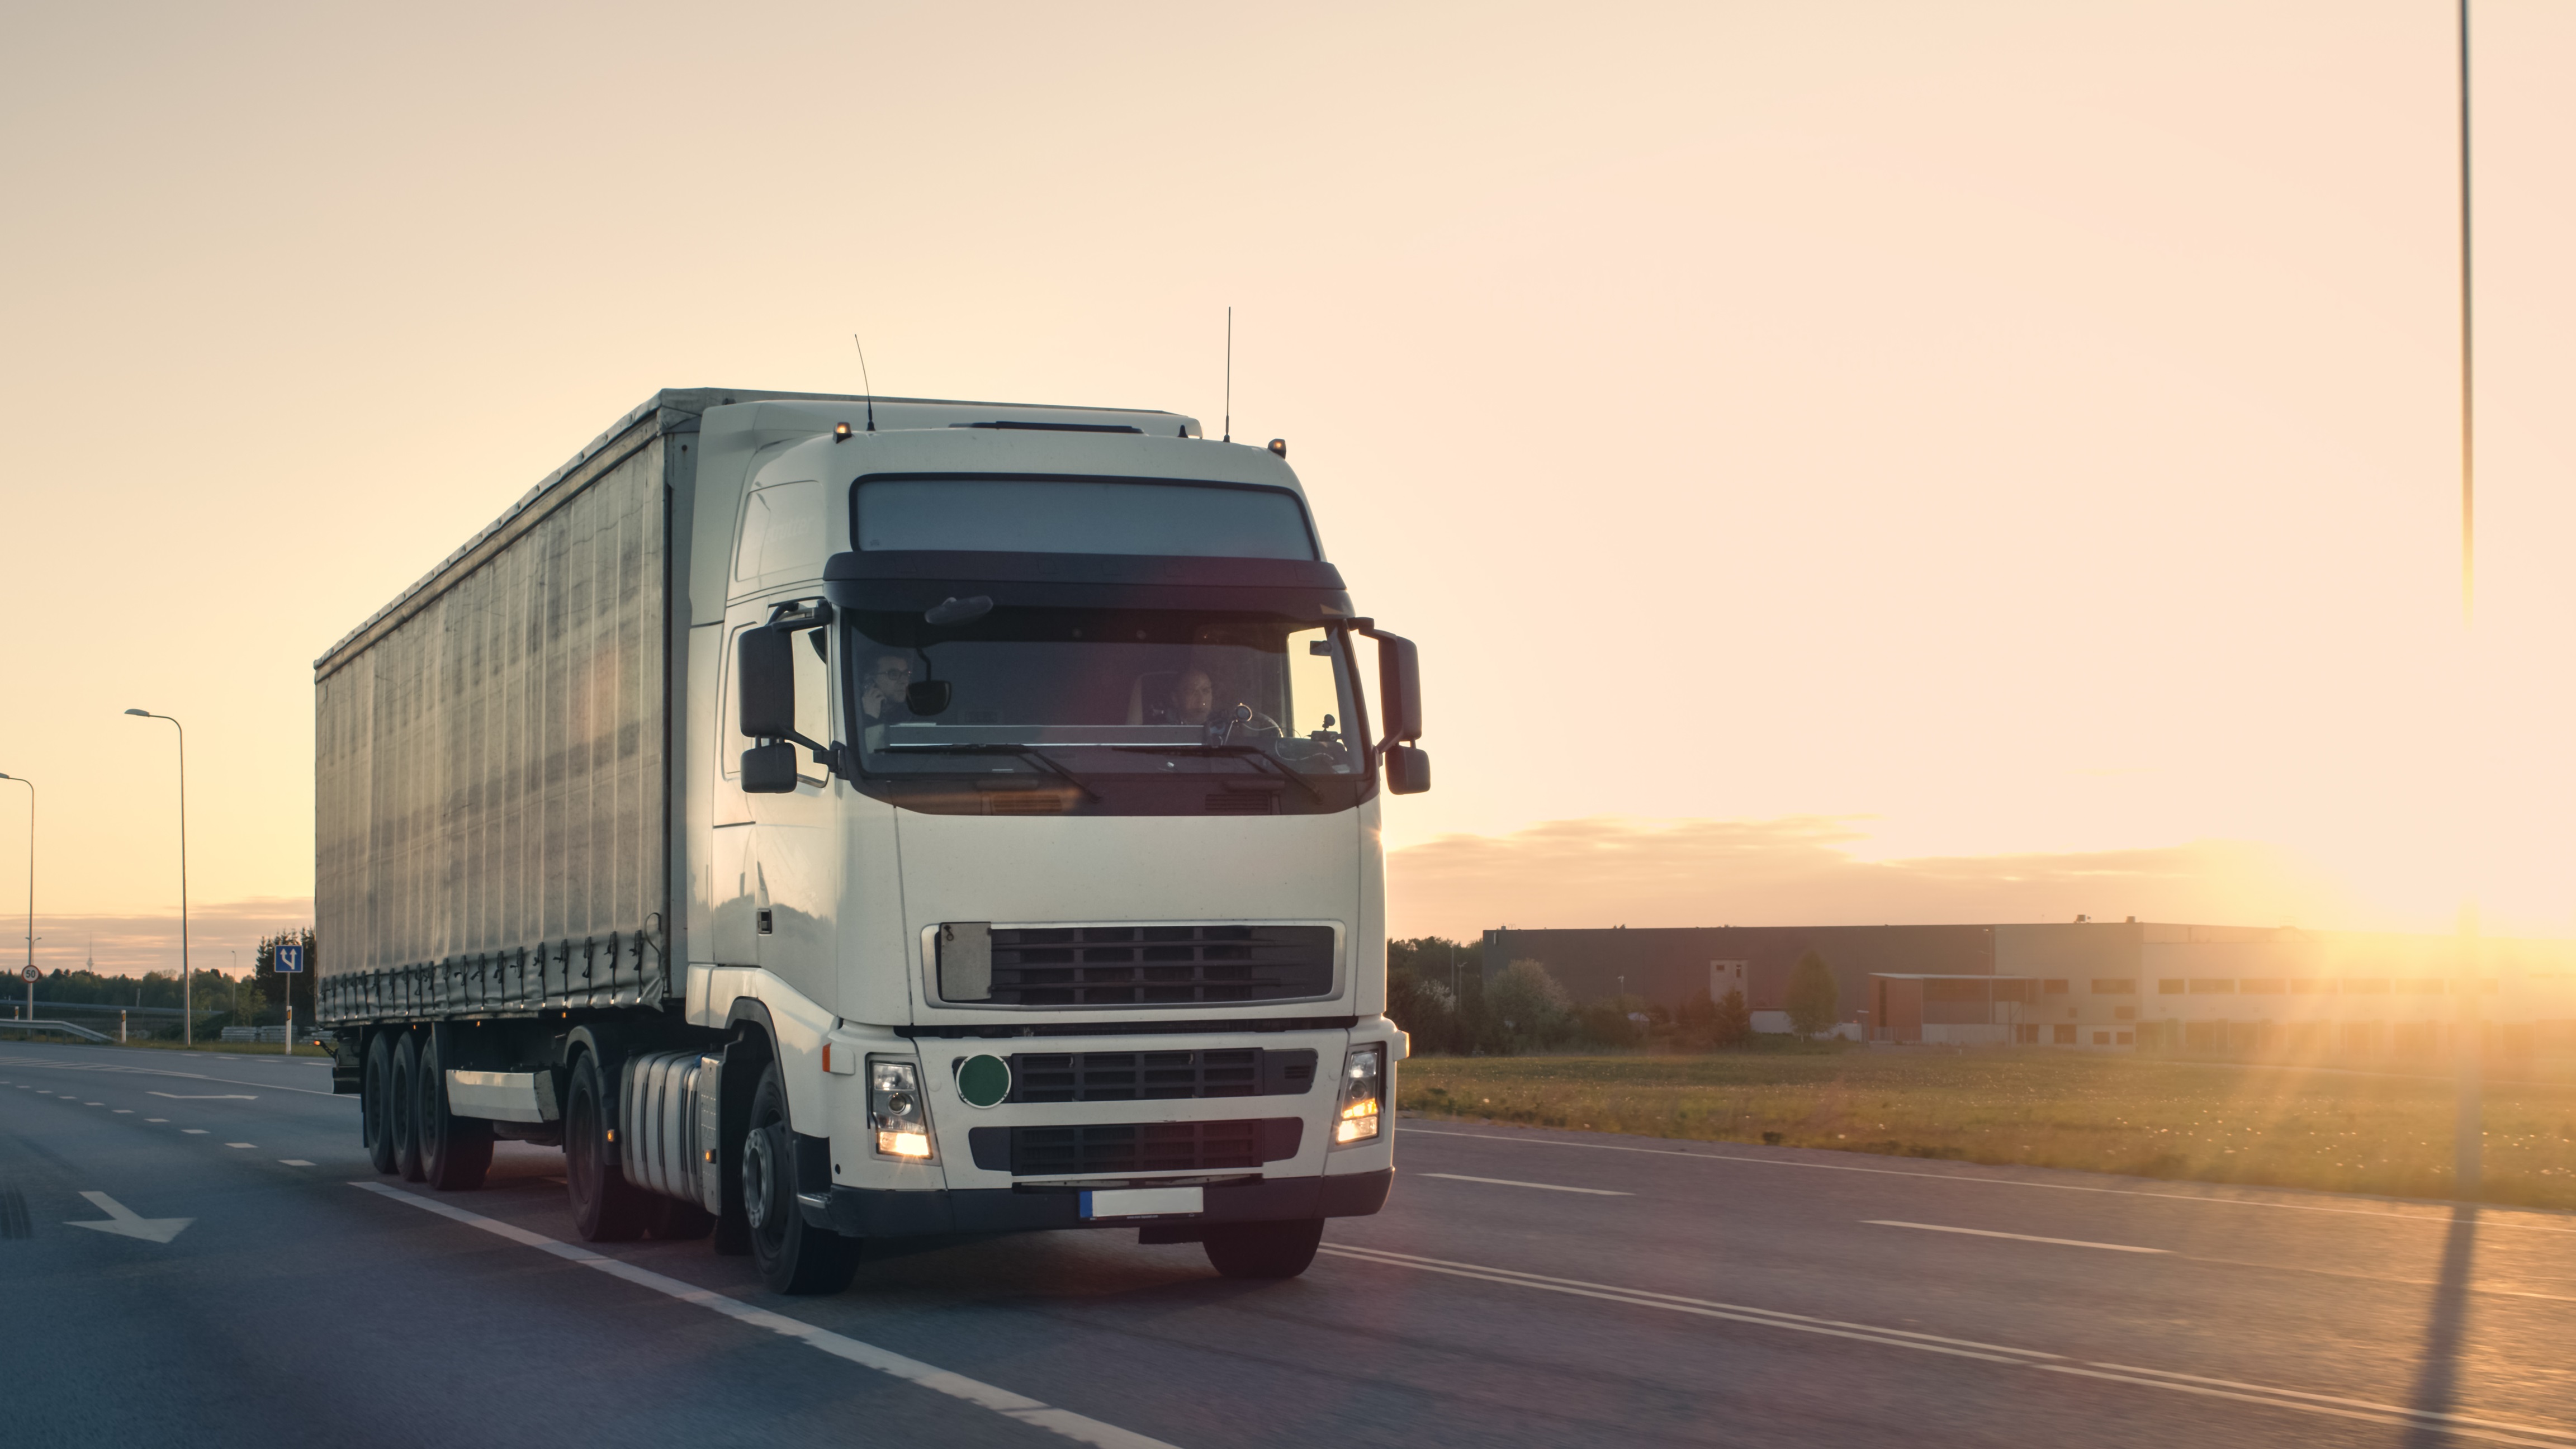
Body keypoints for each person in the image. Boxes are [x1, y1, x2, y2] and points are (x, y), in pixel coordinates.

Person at [861, 652, 912, 750]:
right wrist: (870, 718)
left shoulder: (912, 713)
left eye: (906, 674)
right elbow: (871, 754)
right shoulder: (853, 713)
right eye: (894, 674)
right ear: (871, 680)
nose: (904, 681)